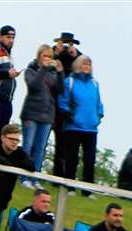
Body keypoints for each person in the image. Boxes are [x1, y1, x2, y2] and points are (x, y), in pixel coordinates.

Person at [53, 55, 102, 185]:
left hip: (91, 128)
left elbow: (98, 103)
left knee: (90, 160)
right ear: (78, 65)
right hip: (73, 127)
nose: (87, 67)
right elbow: (62, 101)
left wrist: (99, 116)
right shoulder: (70, 81)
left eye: (89, 64)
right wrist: (70, 116)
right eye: (84, 64)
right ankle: (70, 186)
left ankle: (88, 189)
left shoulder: (94, 83)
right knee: (72, 158)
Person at [17, 44, 61, 176]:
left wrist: (60, 73)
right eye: (45, 56)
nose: (47, 59)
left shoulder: (52, 73)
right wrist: (43, 69)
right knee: (28, 145)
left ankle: (35, 176)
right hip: (31, 113)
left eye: (49, 56)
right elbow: (34, 86)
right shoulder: (31, 70)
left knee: (40, 148)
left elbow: (60, 91)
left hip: (47, 114)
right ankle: (23, 176)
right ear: (39, 56)